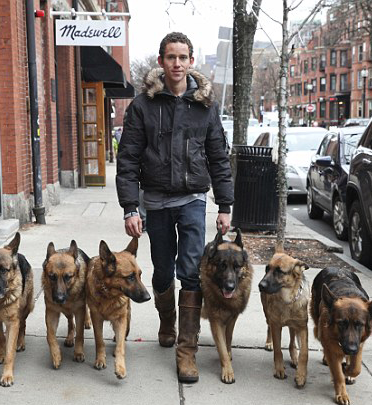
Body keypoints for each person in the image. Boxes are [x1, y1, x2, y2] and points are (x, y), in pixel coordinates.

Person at [116, 32, 233, 383]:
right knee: (163, 270)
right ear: (161, 61)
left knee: (192, 271)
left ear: (192, 61)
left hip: (194, 199)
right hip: (155, 201)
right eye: (171, 57)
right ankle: (167, 320)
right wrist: (130, 208)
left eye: (183, 57)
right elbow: (128, 159)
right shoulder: (142, 106)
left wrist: (225, 204)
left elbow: (218, 158)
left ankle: (187, 351)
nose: (177, 64)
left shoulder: (206, 106)